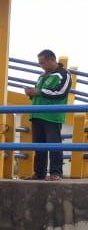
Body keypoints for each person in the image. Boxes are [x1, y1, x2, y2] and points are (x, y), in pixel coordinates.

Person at [23, 49, 71, 180]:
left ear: (52, 60)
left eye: (43, 63)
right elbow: (40, 93)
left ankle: (56, 173)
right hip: (37, 114)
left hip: (52, 116)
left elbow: (61, 92)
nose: (41, 66)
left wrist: (37, 92)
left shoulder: (63, 74)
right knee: (39, 146)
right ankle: (39, 173)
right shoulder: (42, 76)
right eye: (39, 63)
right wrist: (31, 93)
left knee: (54, 145)